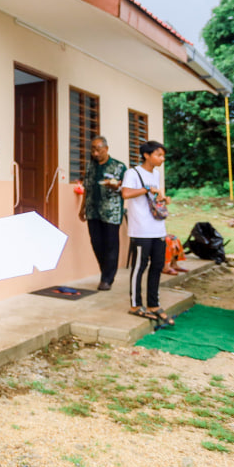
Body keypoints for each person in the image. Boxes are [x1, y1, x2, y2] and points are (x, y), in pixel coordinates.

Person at [122, 140, 173, 325]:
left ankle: (153, 304)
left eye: (162, 155)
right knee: (139, 267)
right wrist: (145, 189)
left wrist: (163, 198)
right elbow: (126, 194)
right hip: (141, 229)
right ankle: (136, 305)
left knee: (158, 265)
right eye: (158, 155)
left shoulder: (156, 173)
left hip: (157, 228)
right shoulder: (133, 173)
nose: (162, 158)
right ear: (146, 155)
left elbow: (155, 196)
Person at [78, 135, 125, 290]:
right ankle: (105, 272)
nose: (95, 153)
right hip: (93, 210)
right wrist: (82, 207)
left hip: (111, 212)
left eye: (98, 150)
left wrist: (116, 187)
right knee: (96, 243)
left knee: (111, 245)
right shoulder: (91, 166)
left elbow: (125, 190)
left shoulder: (119, 167)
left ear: (106, 149)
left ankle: (107, 279)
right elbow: (87, 187)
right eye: (93, 150)